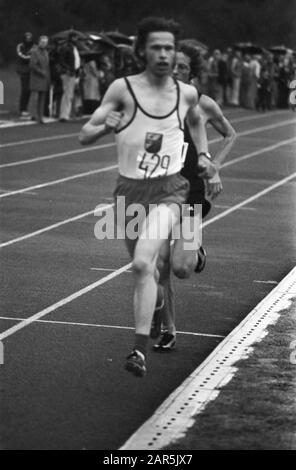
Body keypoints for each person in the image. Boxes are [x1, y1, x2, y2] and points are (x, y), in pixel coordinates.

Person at [79, 17, 218, 377]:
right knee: (149, 272)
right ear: (142, 50)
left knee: (154, 264)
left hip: (176, 193)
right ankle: (159, 316)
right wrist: (101, 127)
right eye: (156, 47)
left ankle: (138, 351)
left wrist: (207, 159)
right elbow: (85, 131)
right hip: (129, 192)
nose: (165, 56)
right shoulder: (121, 90)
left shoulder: (188, 95)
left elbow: (203, 123)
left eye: (170, 50)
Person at [152, 40, 237, 351]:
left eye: (183, 68)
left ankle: (197, 253)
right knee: (159, 263)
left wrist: (215, 167)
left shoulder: (203, 105)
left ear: (193, 73)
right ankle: (169, 330)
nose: (175, 72)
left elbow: (231, 133)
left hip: (192, 194)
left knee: (181, 268)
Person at [59, 33, 81, 121]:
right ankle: (64, 115)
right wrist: (67, 69)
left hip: (73, 73)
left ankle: (67, 113)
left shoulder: (74, 48)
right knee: (67, 94)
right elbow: (61, 60)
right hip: (68, 73)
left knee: (70, 94)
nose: (76, 40)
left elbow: (76, 61)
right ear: (71, 38)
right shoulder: (66, 48)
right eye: (75, 38)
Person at [29, 35, 51, 124]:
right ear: (39, 42)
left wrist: (48, 77)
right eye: (42, 42)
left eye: (45, 43)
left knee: (42, 99)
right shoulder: (35, 51)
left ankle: (40, 116)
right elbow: (32, 65)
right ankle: (33, 115)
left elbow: (47, 66)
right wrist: (41, 72)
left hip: (44, 79)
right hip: (36, 78)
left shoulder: (46, 52)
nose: (44, 44)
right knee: (35, 98)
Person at [16, 32, 35, 117]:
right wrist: (31, 55)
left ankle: (25, 108)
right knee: (25, 90)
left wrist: (32, 54)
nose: (28, 40)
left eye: (30, 38)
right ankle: (22, 109)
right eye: (27, 38)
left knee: (29, 91)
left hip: (31, 71)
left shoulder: (34, 47)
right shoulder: (20, 46)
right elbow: (22, 57)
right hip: (23, 71)